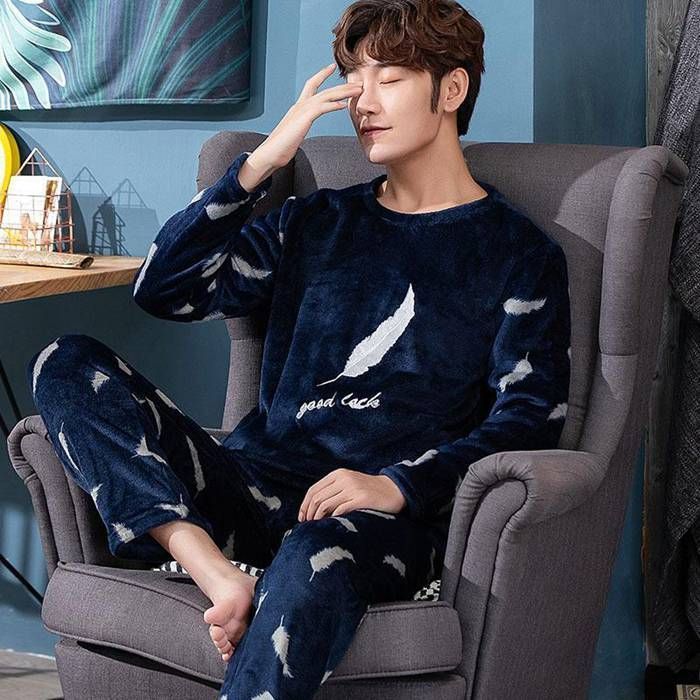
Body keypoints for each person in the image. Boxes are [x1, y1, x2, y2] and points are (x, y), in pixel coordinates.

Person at [26, 1, 571, 697]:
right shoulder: (314, 221)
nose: (362, 102)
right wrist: (261, 163)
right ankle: (214, 572)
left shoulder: (518, 254)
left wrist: (397, 486)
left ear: (452, 89)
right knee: (64, 361)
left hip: (376, 524)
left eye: (389, 79)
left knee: (317, 551)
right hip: (254, 487)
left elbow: (530, 418)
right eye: (353, 79)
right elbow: (163, 291)